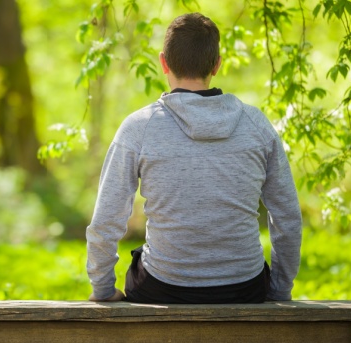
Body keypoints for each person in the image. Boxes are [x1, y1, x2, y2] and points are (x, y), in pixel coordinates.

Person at [85, 12, 302, 303]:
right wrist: (279, 290)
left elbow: (106, 219)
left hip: (163, 286)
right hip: (245, 286)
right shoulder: (256, 124)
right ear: (217, 64)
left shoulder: (140, 126)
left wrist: (102, 289)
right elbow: (287, 217)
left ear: (163, 62)